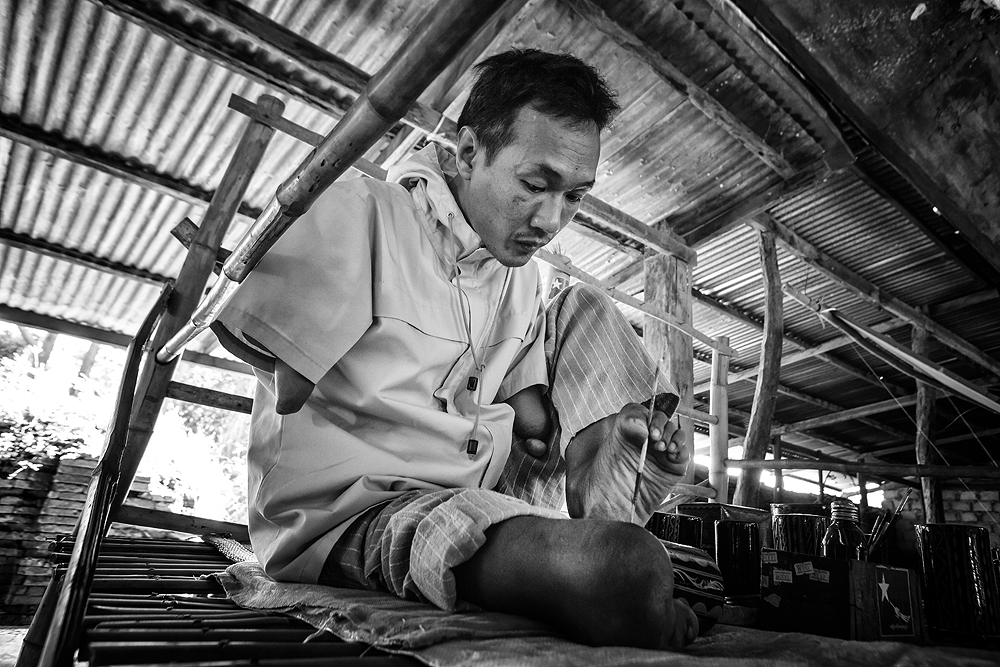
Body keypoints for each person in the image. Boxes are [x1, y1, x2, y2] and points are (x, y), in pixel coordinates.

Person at [217, 48, 699, 650]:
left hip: (474, 490)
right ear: (468, 152)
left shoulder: (519, 276)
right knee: (623, 566)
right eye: (534, 185)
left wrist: (592, 429)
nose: (552, 220)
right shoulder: (360, 211)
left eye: (575, 196)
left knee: (586, 304)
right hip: (358, 510)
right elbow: (285, 383)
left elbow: (532, 426)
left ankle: (601, 489)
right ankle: (598, 556)